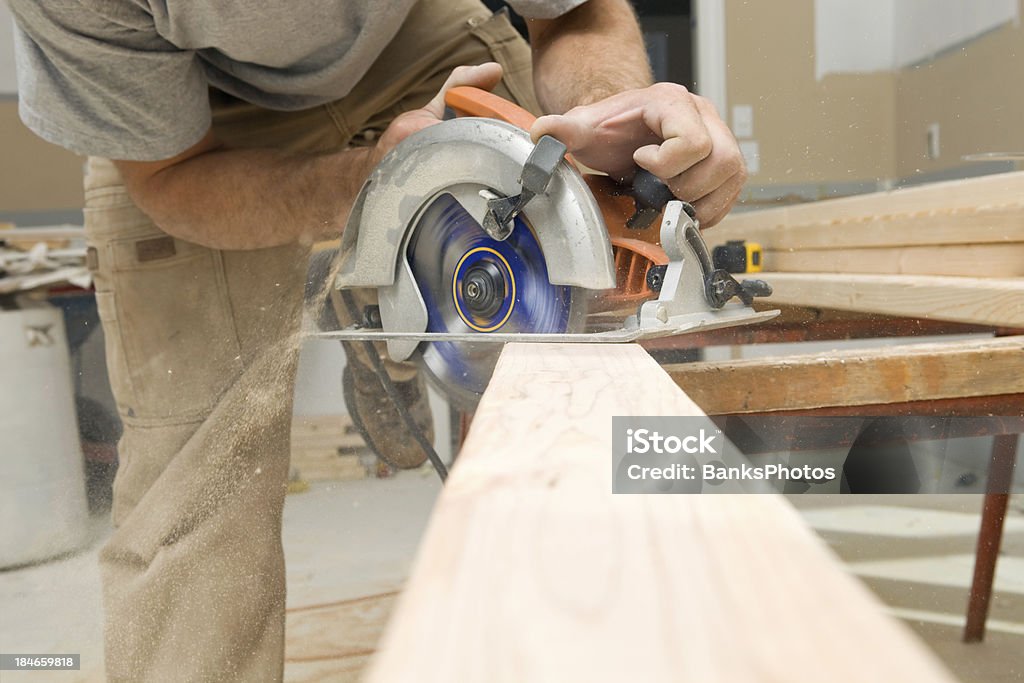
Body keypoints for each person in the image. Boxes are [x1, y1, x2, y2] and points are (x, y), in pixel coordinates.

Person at [9, 0, 746, 679]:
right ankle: (377, 279)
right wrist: (376, 185)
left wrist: (606, 114)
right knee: (192, 504)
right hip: (190, 120)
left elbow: (577, 12)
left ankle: (381, 289)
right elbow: (169, 176)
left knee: (573, 401)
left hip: (416, 36)